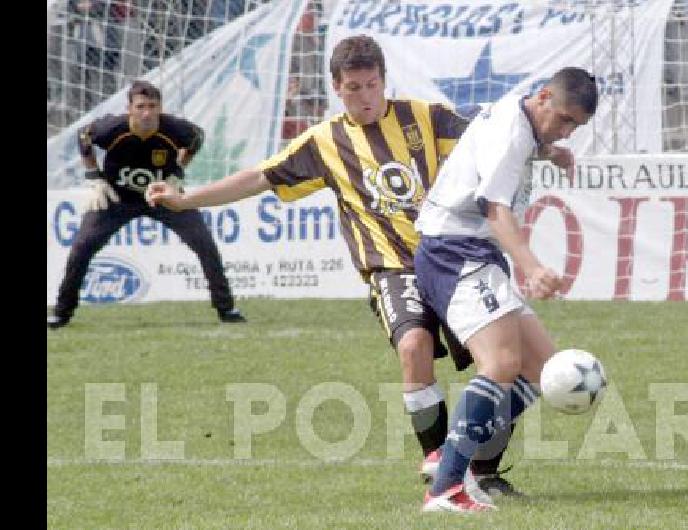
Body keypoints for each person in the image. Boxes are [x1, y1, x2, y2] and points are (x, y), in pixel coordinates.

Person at [146, 35, 571, 500]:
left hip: (455, 257)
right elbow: (258, 177)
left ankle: (479, 468)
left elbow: (492, 141)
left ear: (384, 81)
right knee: (414, 346)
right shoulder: (324, 142)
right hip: (393, 268)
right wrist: (187, 200)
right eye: (353, 88)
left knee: (516, 367)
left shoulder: (423, 117)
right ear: (336, 87)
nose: (365, 97)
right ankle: (442, 467)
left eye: (372, 85)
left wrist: (547, 150)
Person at [414, 67, 598, 513]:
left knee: (541, 372)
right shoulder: (512, 133)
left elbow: (504, 147)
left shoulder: (522, 121)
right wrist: (531, 266)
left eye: (575, 126)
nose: (566, 130)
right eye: (564, 119)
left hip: (474, 251)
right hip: (454, 250)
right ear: (543, 97)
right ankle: (445, 488)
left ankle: (453, 453)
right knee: (501, 363)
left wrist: (551, 151)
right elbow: (494, 207)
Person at [47, 80, 246, 329]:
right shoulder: (111, 128)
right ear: (129, 108)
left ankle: (226, 309)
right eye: (141, 106)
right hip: (117, 197)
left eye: (153, 106)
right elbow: (83, 136)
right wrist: (94, 178)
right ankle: (61, 313)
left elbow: (197, 138)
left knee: (203, 242)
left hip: (163, 195)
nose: (147, 112)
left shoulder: (174, 129)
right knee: (82, 246)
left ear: (160, 107)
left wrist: (177, 173)